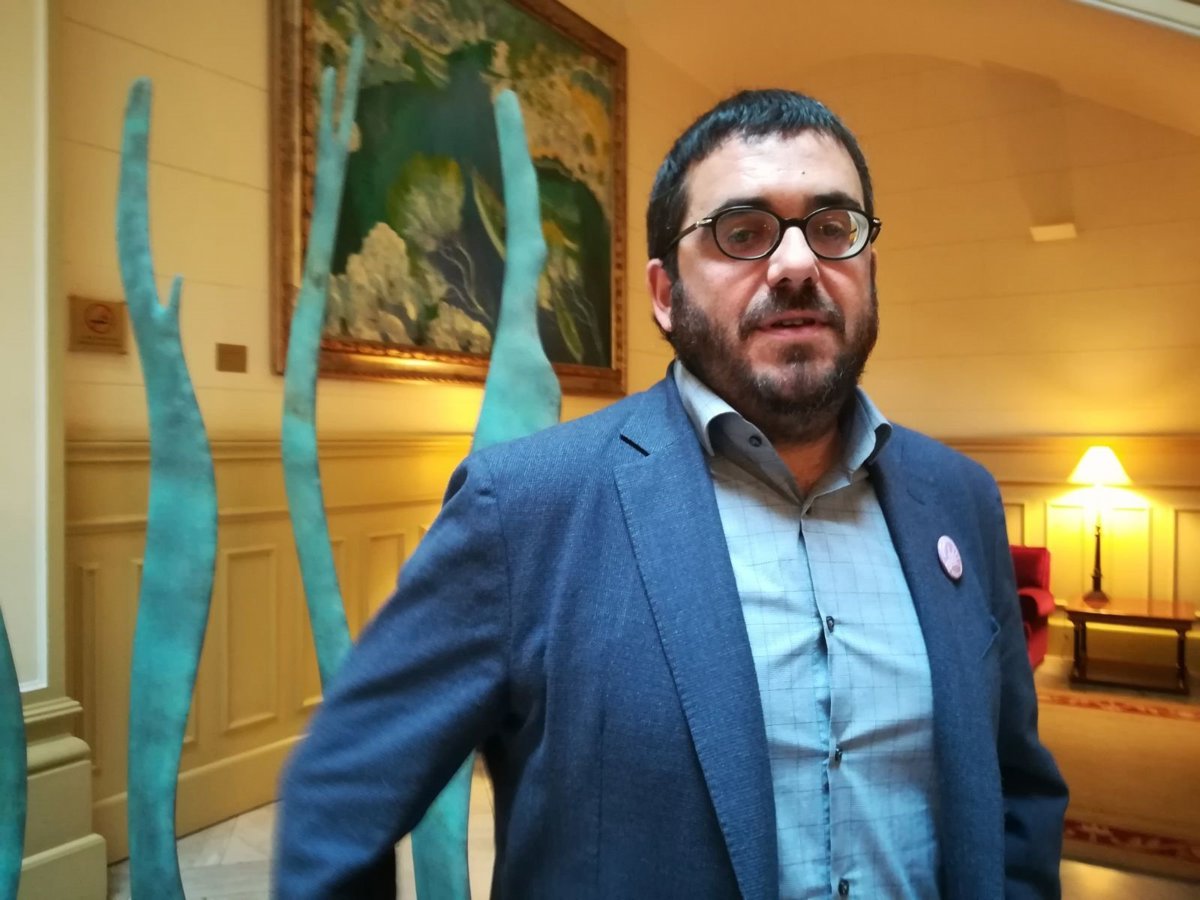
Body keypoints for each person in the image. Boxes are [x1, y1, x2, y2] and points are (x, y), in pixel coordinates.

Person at [275, 89, 1068, 899]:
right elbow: (340, 797)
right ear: (664, 294)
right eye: (742, 233)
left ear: (868, 265)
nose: (798, 264)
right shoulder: (521, 509)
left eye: (833, 228)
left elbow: (1016, 792)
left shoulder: (959, 500)